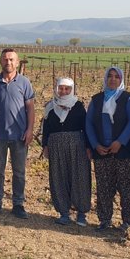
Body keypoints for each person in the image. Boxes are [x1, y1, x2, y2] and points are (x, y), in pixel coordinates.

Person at [85, 66, 130, 231]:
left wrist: (120, 142)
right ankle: (104, 220)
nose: (113, 79)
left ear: (121, 79)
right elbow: (88, 123)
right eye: (110, 76)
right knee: (103, 187)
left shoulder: (129, 99)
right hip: (102, 151)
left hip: (125, 151)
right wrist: (95, 145)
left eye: (117, 76)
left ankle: (128, 221)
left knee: (128, 186)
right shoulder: (96, 100)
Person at [0, 49, 35, 219]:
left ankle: (18, 204)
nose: (8, 62)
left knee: (19, 172)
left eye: (12, 59)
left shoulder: (24, 82)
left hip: (19, 135)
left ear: (17, 62)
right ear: (0, 61)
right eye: (5, 59)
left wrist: (29, 130)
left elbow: (30, 108)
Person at [42, 77, 90, 227]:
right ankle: (63, 213)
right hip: (55, 145)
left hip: (77, 145)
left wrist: (89, 147)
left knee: (79, 176)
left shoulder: (78, 106)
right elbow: (46, 129)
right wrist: (45, 146)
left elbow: (86, 127)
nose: (63, 92)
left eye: (67, 89)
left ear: (72, 90)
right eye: (61, 88)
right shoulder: (50, 106)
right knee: (58, 177)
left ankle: (81, 213)